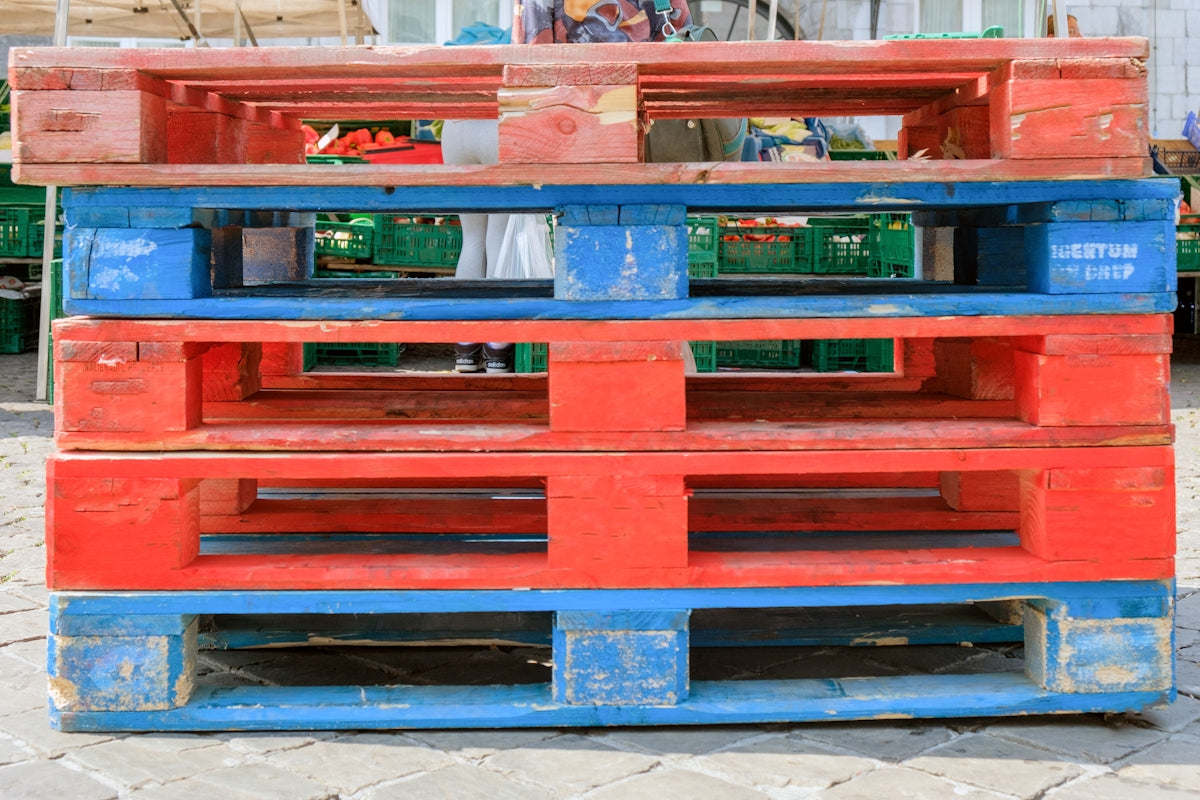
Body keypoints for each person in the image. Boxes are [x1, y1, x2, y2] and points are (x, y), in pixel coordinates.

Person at [442, 0, 697, 373]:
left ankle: (470, 348)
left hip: (558, 128)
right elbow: (681, 40)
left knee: (479, 240)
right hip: (639, 136)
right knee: (639, 249)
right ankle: (652, 362)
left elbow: (532, 60)